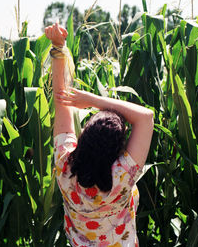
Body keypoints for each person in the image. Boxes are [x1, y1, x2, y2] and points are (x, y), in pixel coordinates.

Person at [45, 23, 154, 247]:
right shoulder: (122, 175)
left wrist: (58, 46)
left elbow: (60, 100)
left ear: (84, 138)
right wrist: (95, 100)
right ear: (117, 150)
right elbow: (145, 117)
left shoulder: (65, 167)